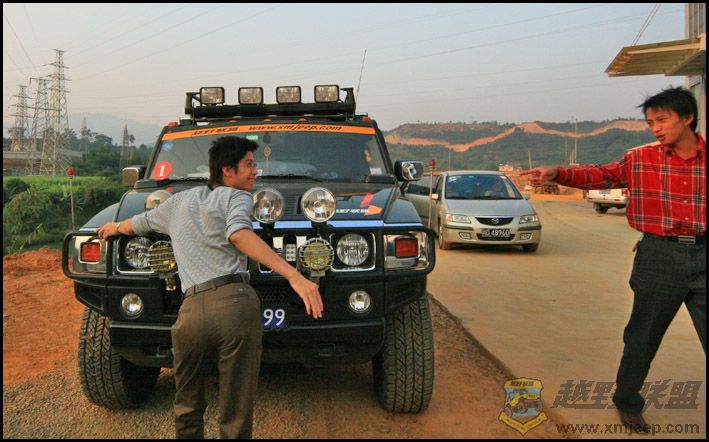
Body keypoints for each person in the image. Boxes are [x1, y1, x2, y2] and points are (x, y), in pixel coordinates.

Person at [96, 136, 323, 439]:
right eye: (249, 165)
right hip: (234, 306)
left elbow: (137, 223)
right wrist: (294, 276)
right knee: (235, 409)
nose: (255, 171)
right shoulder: (237, 197)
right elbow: (239, 233)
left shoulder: (177, 202)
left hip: (190, 312)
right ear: (227, 170)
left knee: (186, 404)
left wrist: (113, 228)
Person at [521, 87, 705, 433]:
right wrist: (558, 173)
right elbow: (600, 175)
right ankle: (627, 402)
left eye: (662, 120)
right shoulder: (641, 159)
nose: (655, 128)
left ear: (688, 118)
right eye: (650, 122)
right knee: (642, 338)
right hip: (659, 257)